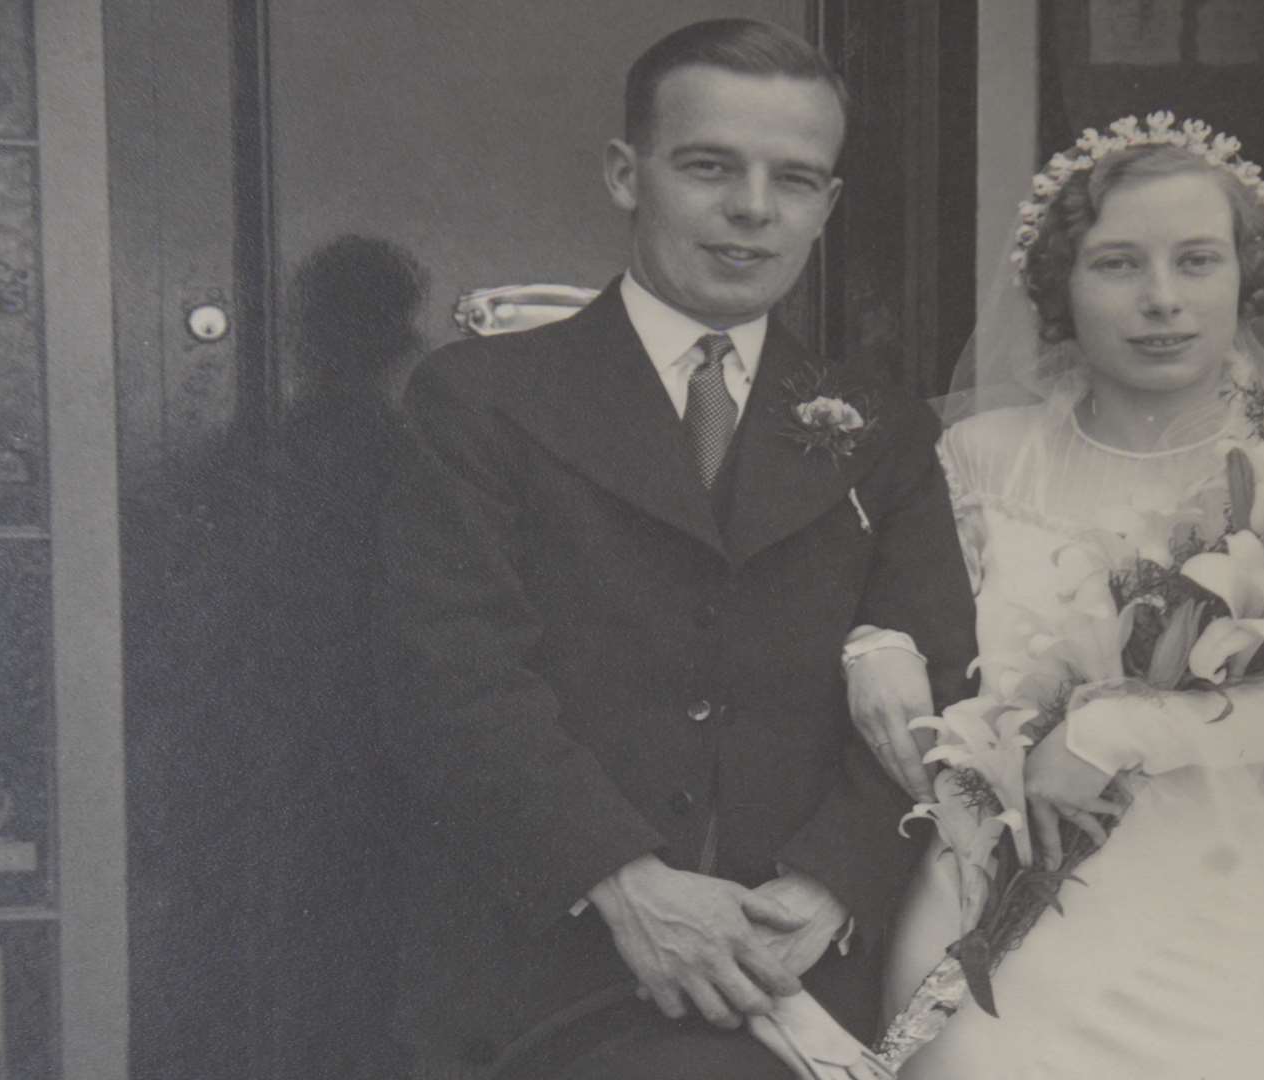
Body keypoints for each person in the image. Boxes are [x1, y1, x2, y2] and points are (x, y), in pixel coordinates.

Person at [372, 19, 975, 1079]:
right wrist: (622, 881)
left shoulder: (882, 428)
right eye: (709, 167)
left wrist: (830, 888)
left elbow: (940, 681)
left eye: (795, 180)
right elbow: (453, 672)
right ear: (625, 173)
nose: (752, 208)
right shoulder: (480, 400)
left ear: (828, 206)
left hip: (798, 969)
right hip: (548, 966)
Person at [876, 118, 1264, 1079]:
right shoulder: (977, 458)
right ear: (1060, 288)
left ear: (1245, 280)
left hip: (1200, 928)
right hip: (987, 927)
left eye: (1198, 261)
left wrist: (1117, 734)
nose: (1161, 300)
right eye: (1119, 263)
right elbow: (916, 645)